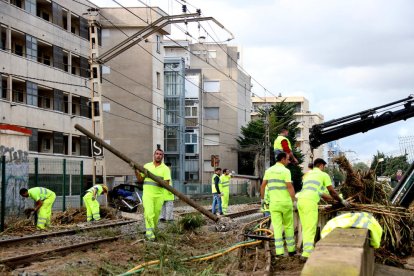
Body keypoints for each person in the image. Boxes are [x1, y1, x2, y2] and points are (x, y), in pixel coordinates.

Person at [296, 158, 351, 262]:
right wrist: (342, 201)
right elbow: (332, 192)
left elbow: (322, 194)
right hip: (309, 202)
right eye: (324, 167)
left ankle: (306, 250)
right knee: (311, 228)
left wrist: (333, 200)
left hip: (301, 200)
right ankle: (307, 254)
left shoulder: (308, 175)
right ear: (321, 165)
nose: (324, 168)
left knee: (306, 227)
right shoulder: (323, 175)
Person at [260, 152, 297, 257]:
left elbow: (263, 186)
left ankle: (279, 252)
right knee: (289, 226)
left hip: (274, 204)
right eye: (288, 159)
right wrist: (294, 200)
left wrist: (262, 199)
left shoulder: (269, 171)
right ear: (282, 159)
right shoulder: (285, 171)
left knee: (277, 227)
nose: (288, 161)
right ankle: (291, 250)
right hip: (285, 204)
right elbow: (289, 187)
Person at [133, 149, 171, 241]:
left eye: (160, 154)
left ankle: (152, 230)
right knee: (149, 213)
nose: (158, 156)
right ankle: (149, 233)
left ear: (162, 157)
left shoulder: (165, 169)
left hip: (159, 195)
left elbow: (166, 183)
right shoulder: (147, 166)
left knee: (156, 214)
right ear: (154, 155)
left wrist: (157, 180)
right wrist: (135, 170)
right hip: (148, 194)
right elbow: (140, 180)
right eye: (157, 154)